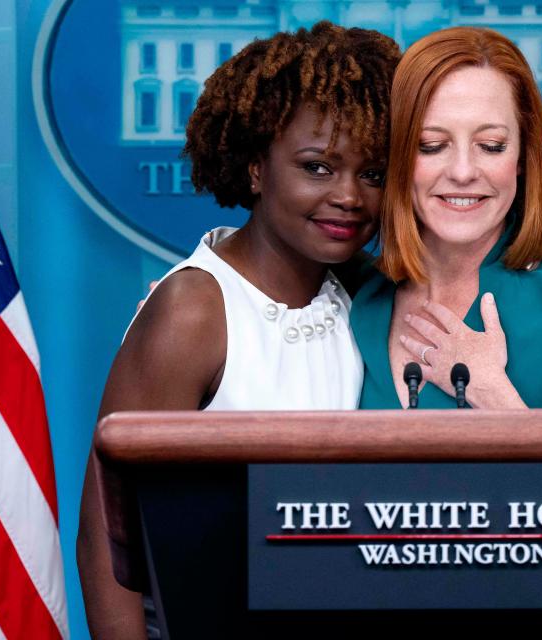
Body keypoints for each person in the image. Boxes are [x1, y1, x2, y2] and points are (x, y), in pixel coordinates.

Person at [77, 22, 401, 639]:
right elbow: (104, 540)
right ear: (255, 168)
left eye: (374, 174)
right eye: (317, 167)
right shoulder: (195, 309)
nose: (349, 197)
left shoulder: (367, 291)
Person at [352, 26, 542, 410]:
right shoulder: (356, 296)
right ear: (397, 155)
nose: (462, 171)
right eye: (432, 145)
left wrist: (493, 396)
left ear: (523, 156)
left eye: (491, 146)